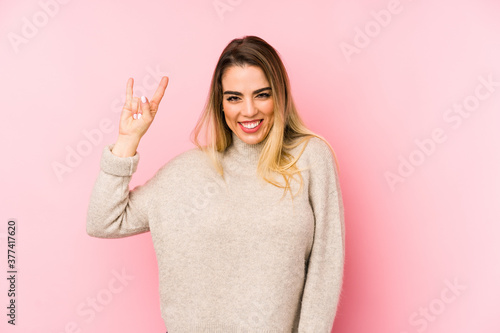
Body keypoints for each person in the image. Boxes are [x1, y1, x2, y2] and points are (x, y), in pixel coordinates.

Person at [86, 35, 345, 333]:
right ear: (220, 104)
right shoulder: (186, 172)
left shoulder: (309, 157)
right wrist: (128, 140)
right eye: (234, 97)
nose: (248, 111)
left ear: (280, 96)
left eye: (262, 94)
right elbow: (102, 221)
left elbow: (325, 265)